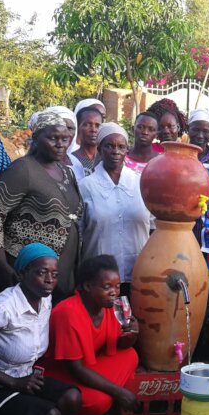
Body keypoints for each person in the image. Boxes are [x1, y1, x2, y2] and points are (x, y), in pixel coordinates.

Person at [0, 109, 83, 298]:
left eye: (65, 138)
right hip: (28, 272)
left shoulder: (67, 172)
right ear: (36, 138)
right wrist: (0, 262)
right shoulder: (24, 169)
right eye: (53, 138)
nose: (60, 144)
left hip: (62, 271)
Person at [0, 244, 84, 415]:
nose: (50, 280)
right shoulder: (2, 309)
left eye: (55, 274)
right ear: (22, 273)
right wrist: (13, 382)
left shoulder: (44, 299)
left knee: (72, 399)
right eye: (42, 273)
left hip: (26, 377)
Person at [39, 255, 141, 415]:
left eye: (117, 286)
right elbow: (75, 369)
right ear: (87, 286)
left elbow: (121, 345)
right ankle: (93, 407)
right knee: (98, 402)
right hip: (61, 374)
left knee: (130, 355)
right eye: (106, 287)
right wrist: (119, 392)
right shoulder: (68, 313)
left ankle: (104, 397)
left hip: (90, 365)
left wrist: (133, 334)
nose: (114, 292)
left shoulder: (110, 306)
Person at [79, 123, 153, 292]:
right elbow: (79, 234)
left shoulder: (142, 183)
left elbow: (154, 228)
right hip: (99, 280)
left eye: (121, 147)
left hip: (138, 275)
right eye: (109, 146)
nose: (115, 151)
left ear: (127, 150)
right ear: (99, 148)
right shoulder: (86, 187)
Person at [69, 99, 104, 178]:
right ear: (77, 127)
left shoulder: (107, 158)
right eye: (87, 124)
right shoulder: (70, 160)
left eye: (98, 125)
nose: (93, 130)